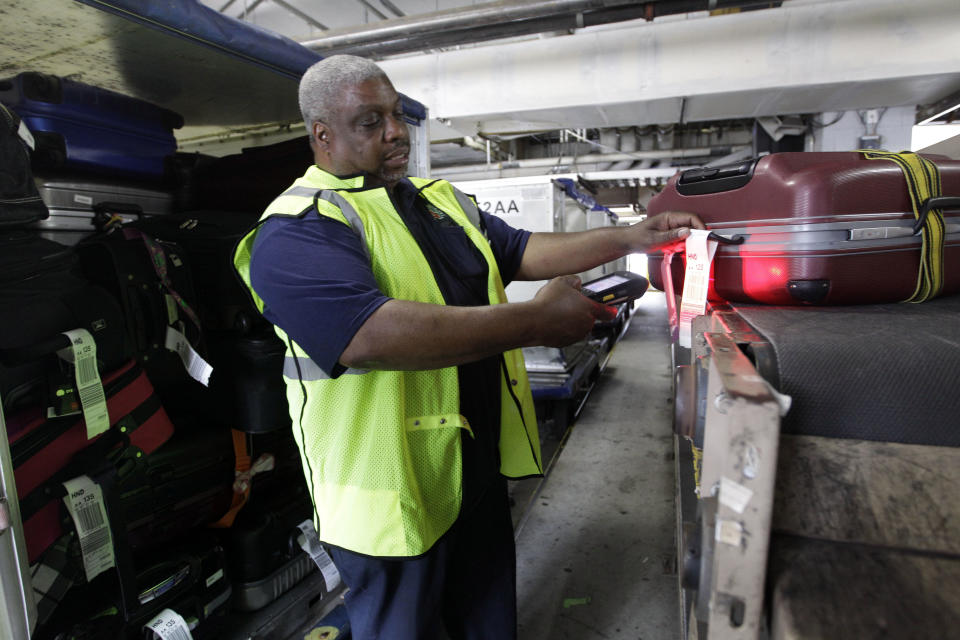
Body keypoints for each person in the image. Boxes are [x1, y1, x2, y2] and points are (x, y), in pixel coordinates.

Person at [234, 54, 704, 640]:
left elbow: (525, 250)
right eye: (370, 121)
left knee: (486, 622)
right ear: (322, 135)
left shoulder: (438, 202)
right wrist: (533, 323)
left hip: (468, 470)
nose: (397, 131)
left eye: (398, 114)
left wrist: (632, 236)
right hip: (390, 500)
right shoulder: (298, 227)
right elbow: (368, 336)